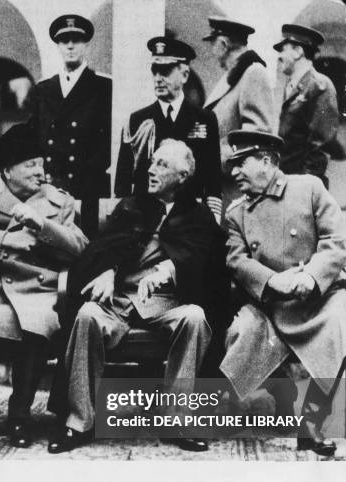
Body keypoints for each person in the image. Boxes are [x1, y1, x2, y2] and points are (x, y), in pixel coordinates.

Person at [49, 139, 230, 454]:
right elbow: (103, 248)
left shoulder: (198, 216)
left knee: (196, 318)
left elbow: (205, 261)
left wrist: (169, 269)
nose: (151, 169)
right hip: (117, 301)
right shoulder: (132, 206)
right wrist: (108, 270)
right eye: (152, 162)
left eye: (161, 164)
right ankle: (79, 421)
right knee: (87, 315)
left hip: (166, 304)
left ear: (183, 175)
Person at [0, 124, 87, 447]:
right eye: (30, 165)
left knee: (37, 326)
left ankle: (19, 416)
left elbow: (79, 247)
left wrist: (43, 225)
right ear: (7, 170)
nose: (40, 172)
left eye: (42, 164)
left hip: (35, 290)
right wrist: (5, 241)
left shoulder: (58, 203)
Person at [220, 130, 346, 457]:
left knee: (340, 321)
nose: (233, 172)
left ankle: (313, 424)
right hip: (268, 302)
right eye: (231, 164)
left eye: (240, 162)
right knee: (244, 330)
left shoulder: (309, 188)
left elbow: (336, 242)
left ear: (266, 161)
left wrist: (311, 276)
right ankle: (276, 404)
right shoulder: (236, 213)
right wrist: (273, 282)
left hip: (318, 297)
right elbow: (235, 260)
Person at [115, 36, 223, 222]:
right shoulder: (138, 120)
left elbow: (212, 180)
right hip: (144, 219)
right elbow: (123, 182)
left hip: (189, 220)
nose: (158, 79)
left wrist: (211, 221)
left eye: (165, 71)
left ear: (185, 75)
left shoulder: (205, 119)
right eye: (154, 71)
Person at [27, 14, 112, 239]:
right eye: (65, 41)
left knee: (83, 250)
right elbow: (34, 139)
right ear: (58, 45)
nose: (71, 46)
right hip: (51, 188)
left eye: (77, 40)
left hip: (87, 191)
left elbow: (107, 145)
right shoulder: (43, 90)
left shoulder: (103, 87)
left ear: (86, 45)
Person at [202, 17, 275, 214]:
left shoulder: (253, 73)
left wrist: (212, 157)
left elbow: (259, 136)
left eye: (212, 43)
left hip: (238, 193)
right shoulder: (234, 77)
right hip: (224, 190)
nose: (211, 51)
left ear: (224, 44)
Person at [273, 24, 339, 187]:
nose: (279, 56)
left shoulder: (319, 85)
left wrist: (304, 188)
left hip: (303, 188)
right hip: (285, 183)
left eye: (282, 49)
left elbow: (320, 146)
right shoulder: (291, 87)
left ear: (297, 51)